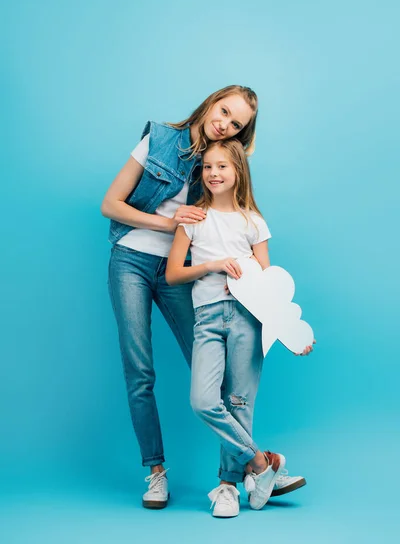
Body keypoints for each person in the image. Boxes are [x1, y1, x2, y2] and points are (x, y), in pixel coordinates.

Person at [101, 85, 260, 508]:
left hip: (178, 274)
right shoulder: (158, 140)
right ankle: (157, 474)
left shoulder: (215, 165)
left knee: (214, 378)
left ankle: (238, 473)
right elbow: (110, 204)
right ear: (211, 101)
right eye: (224, 110)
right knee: (140, 374)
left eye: (236, 124)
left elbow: (230, 223)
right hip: (131, 261)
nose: (224, 122)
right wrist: (167, 224)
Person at [166, 139, 313, 517]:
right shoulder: (193, 218)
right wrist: (213, 266)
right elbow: (173, 274)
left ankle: (228, 486)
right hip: (208, 317)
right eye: (208, 167)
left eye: (222, 167)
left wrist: (291, 334)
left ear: (237, 172)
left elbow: (269, 285)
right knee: (203, 400)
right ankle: (262, 464)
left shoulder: (253, 222)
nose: (214, 173)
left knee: (239, 404)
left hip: (249, 317)